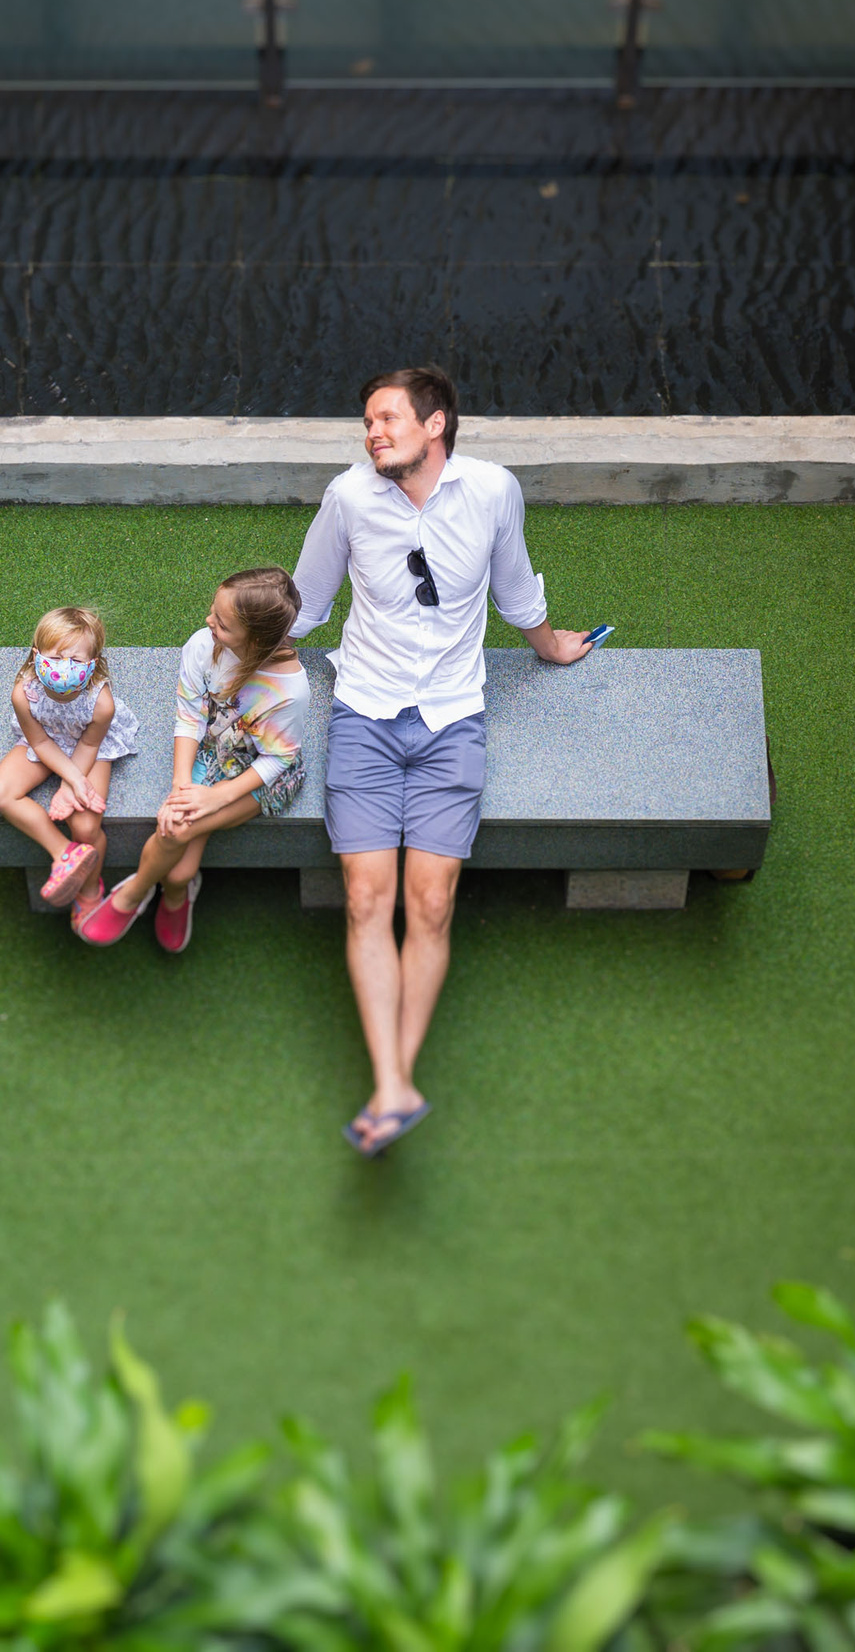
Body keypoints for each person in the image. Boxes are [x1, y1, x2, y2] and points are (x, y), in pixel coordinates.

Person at [289, 367, 600, 1157]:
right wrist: (237, 663)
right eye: (366, 422)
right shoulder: (349, 498)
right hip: (364, 713)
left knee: (429, 905)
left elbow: (515, 588)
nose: (371, 433)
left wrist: (550, 643)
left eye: (387, 418)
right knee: (368, 899)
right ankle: (392, 1084)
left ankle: (396, 1081)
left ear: (437, 425)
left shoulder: (493, 492)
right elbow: (310, 600)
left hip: (453, 721)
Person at [76, 567, 308, 955]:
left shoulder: (290, 691)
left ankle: (132, 893)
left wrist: (216, 798)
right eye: (213, 611)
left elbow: (279, 758)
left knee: (178, 835)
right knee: (180, 865)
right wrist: (181, 787)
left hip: (258, 773)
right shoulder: (204, 646)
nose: (208, 622)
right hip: (211, 750)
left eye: (222, 623)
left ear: (257, 640)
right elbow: (190, 716)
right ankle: (175, 892)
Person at [0, 606, 139, 916]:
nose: (64, 667)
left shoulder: (101, 704)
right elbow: (39, 741)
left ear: (92, 664)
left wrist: (71, 784)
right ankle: (64, 853)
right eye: (54, 659)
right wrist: (74, 780)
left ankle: (91, 891)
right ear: (36, 654)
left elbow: (91, 743)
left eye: (76, 661)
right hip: (46, 741)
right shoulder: (24, 694)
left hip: (89, 747)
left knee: (85, 825)